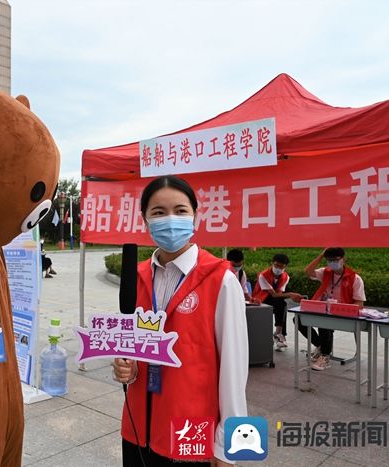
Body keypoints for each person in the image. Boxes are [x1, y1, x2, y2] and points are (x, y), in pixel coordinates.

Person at [111, 175, 248, 466]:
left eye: (181, 210)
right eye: (158, 212)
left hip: (192, 430)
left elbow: (235, 372)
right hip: (137, 428)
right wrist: (130, 369)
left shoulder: (221, 279)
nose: (170, 219)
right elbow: (137, 349)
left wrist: (230, 450)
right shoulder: (136, 277)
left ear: (195, 217)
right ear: (145, 220)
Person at [301, 247, 366, 371]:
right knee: (298, 320)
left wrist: (342, 308)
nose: (332, 263)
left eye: (335, 260)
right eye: (329, 260)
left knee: (324, 322)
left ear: (343, 259)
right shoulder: (325, 272)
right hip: (324, 309)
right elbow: (308, 272)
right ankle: (320, 345)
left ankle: (325, 357)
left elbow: (359, 302)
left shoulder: (355, 278)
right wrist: (320, 256)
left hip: (343, 313)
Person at [251, 253, 303, 352]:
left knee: (282, 304)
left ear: (285, 267)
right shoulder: (263, 275)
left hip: (274, 299)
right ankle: (279, 335)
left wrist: (290, 295)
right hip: (260, 299)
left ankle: (279, 333)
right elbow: (273, 294)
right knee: (280, 302)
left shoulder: (285, 277)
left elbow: (279, 294)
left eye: (281, 266)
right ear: (272, 263)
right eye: (276, 265)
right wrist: (291, 294)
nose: (278, 268)